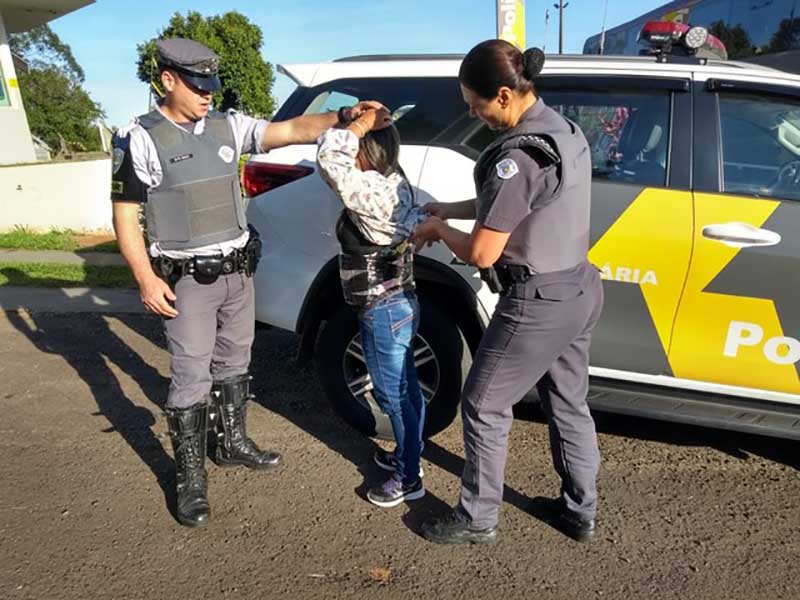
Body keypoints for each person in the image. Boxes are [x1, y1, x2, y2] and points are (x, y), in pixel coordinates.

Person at [110, 37, 383, 528]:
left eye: (211, 84)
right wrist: (146, 280)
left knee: (236, 360)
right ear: (168, 80)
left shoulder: (227, 125)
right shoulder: (140, 138)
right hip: (188, 279)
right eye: (197, 85)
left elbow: (294, 129)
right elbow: (125, 215)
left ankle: (231, 442)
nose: (207, 94)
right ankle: (189, 476)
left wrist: (343, 118)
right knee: (191, 375)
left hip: (238, 270)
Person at [412, 40, 604, 544]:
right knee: (568, 401)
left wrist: (435, 233)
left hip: (538, 300)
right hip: (579, 288)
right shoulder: (561, 130)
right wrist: (449, 208)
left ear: (502, 95)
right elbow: (511, 201)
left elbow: (481, 253)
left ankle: (477, 518)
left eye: (475, 106)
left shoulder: (516, 156)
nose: (473, 114)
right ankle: (579, 510)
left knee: (482, 403)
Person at [316, 107, 427, 508]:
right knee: (408, 390)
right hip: (402, 302)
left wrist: (358, 125)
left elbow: (329, 158)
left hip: (384, 308)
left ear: (365, 152)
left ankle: (408, 478)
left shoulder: (370, 191)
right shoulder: (396, 181)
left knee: (394, 395)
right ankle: (408, 455)